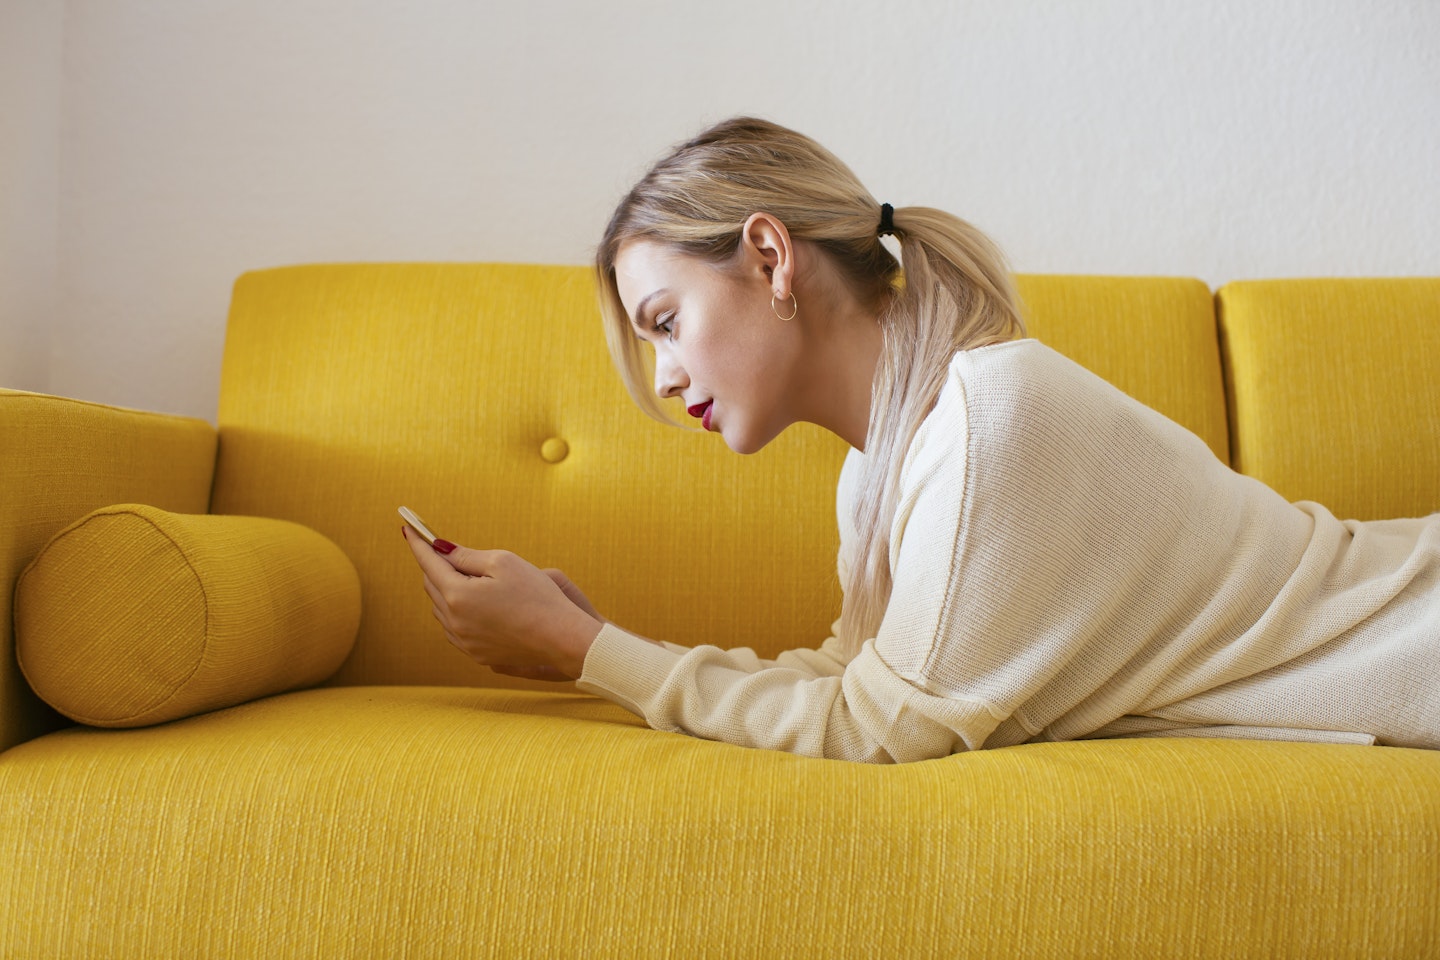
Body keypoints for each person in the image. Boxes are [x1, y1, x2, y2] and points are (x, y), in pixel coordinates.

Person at [405, 116, 1440, 762]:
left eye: (665, 323)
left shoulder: (989, 416)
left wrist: (588, 651)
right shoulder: (882, 462)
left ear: (769, 257)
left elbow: (882, 731)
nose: (666, 377)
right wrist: (601, 648)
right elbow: (857, 677)